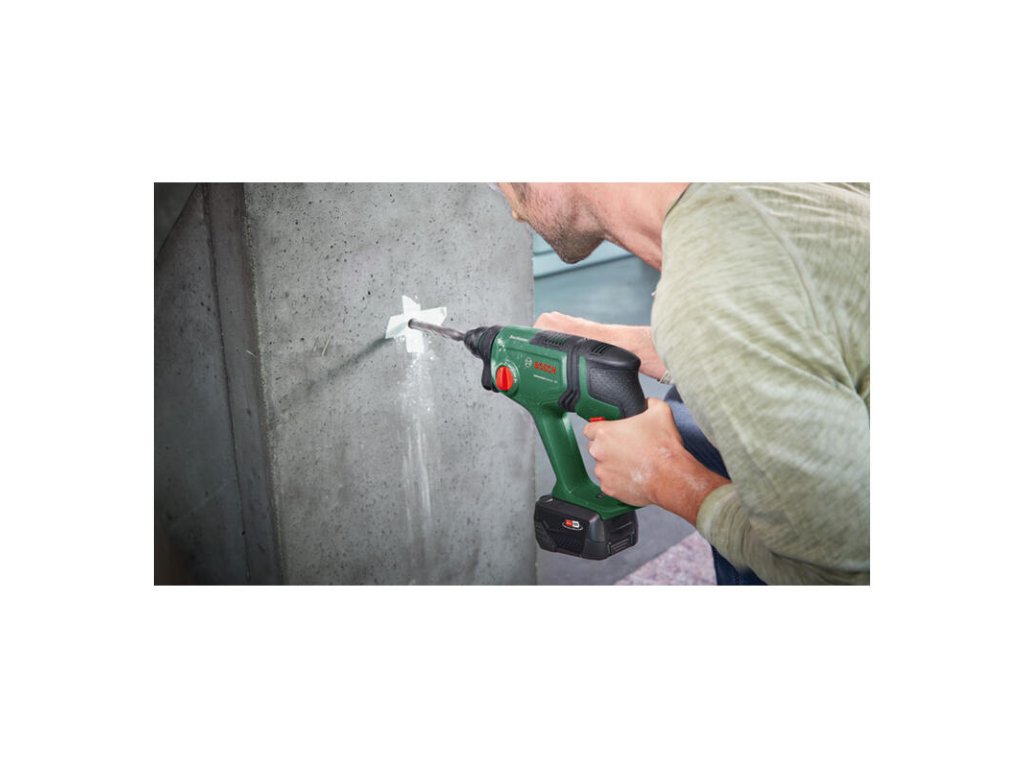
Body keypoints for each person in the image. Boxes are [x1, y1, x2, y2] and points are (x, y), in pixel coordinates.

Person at [496, 183, 869, 585]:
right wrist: (626, 344)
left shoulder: (707, 293)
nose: (515, 211)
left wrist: (662, 472)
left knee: (686, 424)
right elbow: (795, 323)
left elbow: (836, 575)